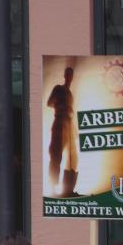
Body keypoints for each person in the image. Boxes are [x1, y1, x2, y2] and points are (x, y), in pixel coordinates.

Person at [46, 66, 78, 197]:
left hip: (68, 125)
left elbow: (71, 112)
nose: (69, 77)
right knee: (56, 156)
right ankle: (53, 188)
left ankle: (68, 189)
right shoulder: (58, 88)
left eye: (71, 74)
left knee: (72, 157)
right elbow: (49, 103)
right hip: (59, 123)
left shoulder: (70, 94)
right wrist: (60, 106)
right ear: (65, 76)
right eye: (68, 74)